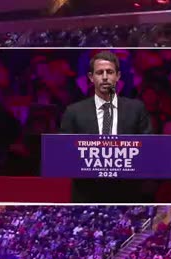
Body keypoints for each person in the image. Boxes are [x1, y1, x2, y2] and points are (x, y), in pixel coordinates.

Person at [59, 51, 157, 204]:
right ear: (91, 78)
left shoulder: (136, 108)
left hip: (127, 191)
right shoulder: (74, 111)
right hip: (86, 193)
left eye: (109, 72)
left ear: (118, 76)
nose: (105, 77)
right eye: (99, 72)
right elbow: (64, 152)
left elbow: (149, 148)